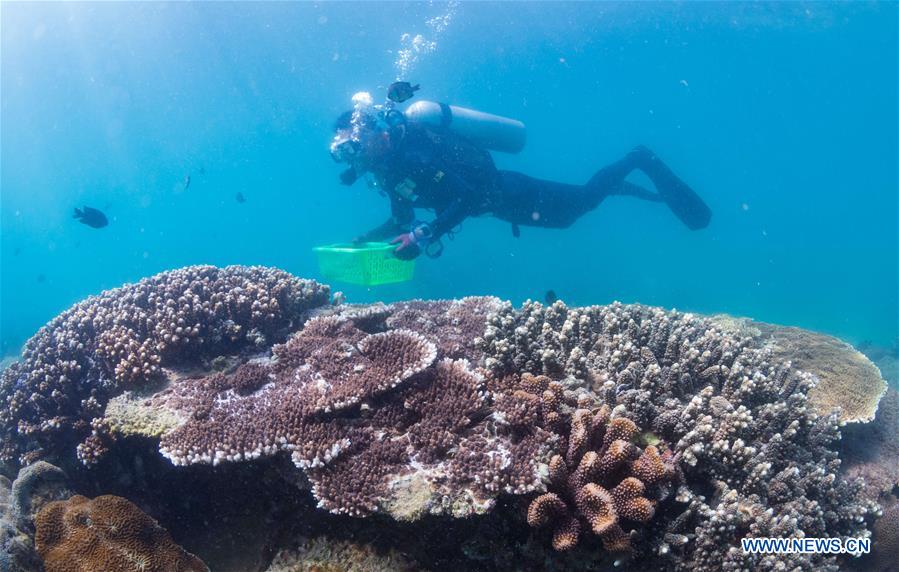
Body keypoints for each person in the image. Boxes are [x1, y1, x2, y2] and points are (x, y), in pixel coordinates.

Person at [330, 95, 711, 261]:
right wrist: (363, 240)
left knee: (582, 204)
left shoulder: (414, 154)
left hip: (513, 192)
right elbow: (401, 220)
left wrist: (425, 234)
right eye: (347, 151)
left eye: (355, 145)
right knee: (574, 213)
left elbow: (463, 198)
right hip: (505, 208)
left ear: (374, 133)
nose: (355, 156)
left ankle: (637, 159)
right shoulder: (391, 170)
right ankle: (620, 186)